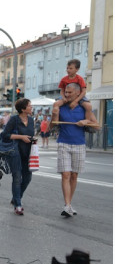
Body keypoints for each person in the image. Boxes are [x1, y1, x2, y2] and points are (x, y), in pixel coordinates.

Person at [56, 83, 97, 217]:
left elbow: (97, 126)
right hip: (63, 143)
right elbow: (52, 125)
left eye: (70, 93)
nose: (66, 95)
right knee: (66, 174)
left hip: (79, 144)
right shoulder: (60, 106)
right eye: (66, 92)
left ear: (78, 93)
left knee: (74, 175)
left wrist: (86, 121)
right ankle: (67, 205)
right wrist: (54, 113)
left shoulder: (84, 107)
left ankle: (69, 203)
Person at [0, 98, 36, 215]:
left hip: (27, 153)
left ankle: (16, 197)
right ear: (23, 109)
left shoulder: (31, 120)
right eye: (29, 106)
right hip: (15, 153)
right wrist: (21, 137)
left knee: (28, 178)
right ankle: (18, 205)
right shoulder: (14, 119)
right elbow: (5, 135)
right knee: (17, 178)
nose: (31, 107)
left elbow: (30, 135)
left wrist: (32, 139)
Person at [52, 58, 96, 124]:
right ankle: (56, 122)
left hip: (79, 97)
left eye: (70, 68)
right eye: (67, 68)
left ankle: (87, 120)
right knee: (56, 104)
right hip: (66, 96)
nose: (68, 70)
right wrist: (64, 98)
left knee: (88, 106)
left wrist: (76, 101)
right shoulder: (64, 79)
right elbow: (62, 91)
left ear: (77, 69)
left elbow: (83, 91)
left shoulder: (79, 79)